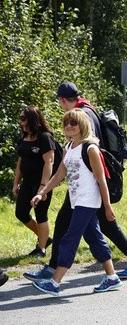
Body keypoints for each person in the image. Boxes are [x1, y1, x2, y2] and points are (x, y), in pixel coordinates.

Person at [24, 82, 127, 282]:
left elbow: (91, 154)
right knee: (98, 228)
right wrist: (44, 189)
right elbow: (62, 169)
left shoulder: (81, 115)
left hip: (87, 185)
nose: (68, 126)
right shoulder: (88, 110)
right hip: (80, 182)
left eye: (60, 102)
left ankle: (54, 275)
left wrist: (104, 200)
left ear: (63, 100)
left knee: (73, 229)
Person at [30, 109, 122, 296]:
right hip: (76, 200)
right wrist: (42, 192)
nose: (69, 126)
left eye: (73, 123)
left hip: (88, 200)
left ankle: (55, 282)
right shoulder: (69, 147)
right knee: (94, 238)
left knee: (70, 238)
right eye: (66, 123)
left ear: (82, 125)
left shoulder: (90, 148)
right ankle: (112, 277)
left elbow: (101, 179)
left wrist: (107, 206)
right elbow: (59, 175)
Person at [12, 105, 56, 257]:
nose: (20, 122)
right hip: (27, 182)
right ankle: (45, 238)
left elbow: (49, 162)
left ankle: (41, 249)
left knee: (41, 214)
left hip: (41, 183)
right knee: (21, 213)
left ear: (32, 119)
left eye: (23, 119)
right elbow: (20, 163)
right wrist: (16, 183)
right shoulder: (24, 137)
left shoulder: (44, 137)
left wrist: (43, 188)